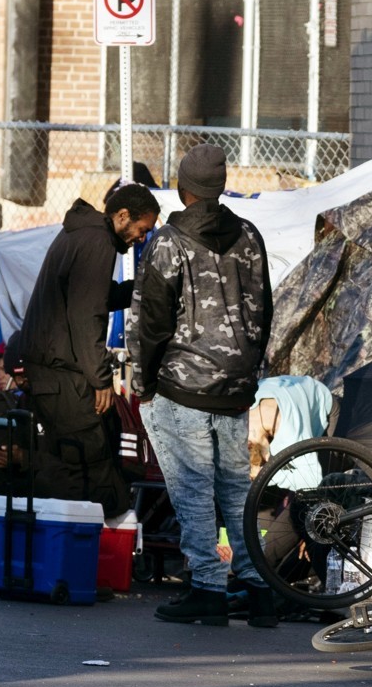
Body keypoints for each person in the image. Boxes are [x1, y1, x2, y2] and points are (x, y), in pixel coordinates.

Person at [128, 143, 277, 627]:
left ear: (181, 187)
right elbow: (265, 308)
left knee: (193, 489)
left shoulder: (170, 241)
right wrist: (247, 367)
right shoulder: (250, 235)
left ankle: (208, 588)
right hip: (235, 385)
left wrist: (143, 380)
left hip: (182, 385)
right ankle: (257, 590)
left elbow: (152, 320)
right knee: (236, 490)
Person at [15, 183, 160, 518]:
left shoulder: (80, 234)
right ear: (122, 216)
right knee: (86, 465)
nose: (142, 238)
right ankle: (79, 551)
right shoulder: (98, 242)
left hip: (49, 373)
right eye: (142, 230)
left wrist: (136, 289)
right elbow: (87, 315)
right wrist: (100, 379)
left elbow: (90, 296)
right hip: (62, 375)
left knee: (69, 459)